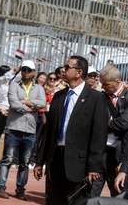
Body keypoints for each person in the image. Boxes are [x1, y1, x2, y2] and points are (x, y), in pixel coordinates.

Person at [33, 55, 109, 205]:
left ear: (79, 72)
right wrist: (39, 161)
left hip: (78, 164)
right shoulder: (59, 96)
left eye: (68, 67)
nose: (63, 70)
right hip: (55, 160)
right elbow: (48, 131)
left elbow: (99, 135)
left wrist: (94, 167)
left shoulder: (95, 98)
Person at [0, 60, 46, 200]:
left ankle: (20, 189)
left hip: (30, 130)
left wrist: (26, 102)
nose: (26, 72)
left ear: (34, 72)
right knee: (7, 159)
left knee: (25, 162)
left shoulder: (39, 88)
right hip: (14, 127)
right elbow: (13, 103)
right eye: (24, 69)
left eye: (29, 70)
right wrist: (30, 107)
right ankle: (0, 187)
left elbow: (43, 103)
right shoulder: (14, 85)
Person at [92, 65, 128, 197]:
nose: (102, 87)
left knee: (117, 192)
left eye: (106, 84)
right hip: (100, 150)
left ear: (117, 81)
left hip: (119, 153)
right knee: (92, 191)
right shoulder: (100, 97)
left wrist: (101, 125)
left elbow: (124, 124)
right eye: (101, 84)